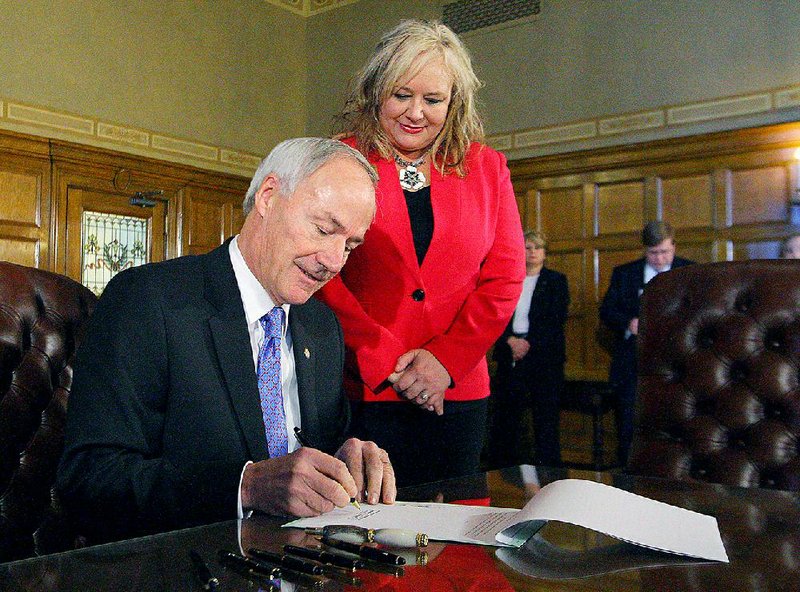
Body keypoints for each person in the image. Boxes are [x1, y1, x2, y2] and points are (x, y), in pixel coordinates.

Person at [56, 138, 396, 544]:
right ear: (268, 197)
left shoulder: (322, 327)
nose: (333, 260)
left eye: (350, 245)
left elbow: (318, 448)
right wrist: (245, 487)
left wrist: (348, 459)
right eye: (323, 229)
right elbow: (89, 480)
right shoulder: (150, 301)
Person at [316, 19, 526, 486]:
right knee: (367, 533)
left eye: (433, 100)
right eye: (401, 95)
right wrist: (391, 361)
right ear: (376, 93)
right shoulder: (336, 161)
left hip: (457, 391)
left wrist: (443, 362)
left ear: (454, 104)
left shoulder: (488, 169)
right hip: (364, 390)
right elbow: (321, 274)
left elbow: (505, 277)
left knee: (456, 535)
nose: (416, 113)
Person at [599, 220, 693, 465]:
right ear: (644, 250)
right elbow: (608, 310)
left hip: (679, 363)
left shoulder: (691, 272)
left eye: (665, 252)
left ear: (674, 245)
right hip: (633, 363)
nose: (660, 259)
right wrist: (629, 322)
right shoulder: (625, 274)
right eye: (653, 253)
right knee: (629, 424)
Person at [488, 230, 569, 469]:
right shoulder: (508, 279)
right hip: (509, 353)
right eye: (527, 247)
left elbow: (555, 318)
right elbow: (495, 314)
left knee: (545, 418)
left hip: (543, 357)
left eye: (537, 247)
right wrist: (510, 341)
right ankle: (503, 471)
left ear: (544, 253)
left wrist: (527, 343)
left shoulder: (555, 281)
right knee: (506, 416)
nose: (532, 252)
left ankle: (549, 473)